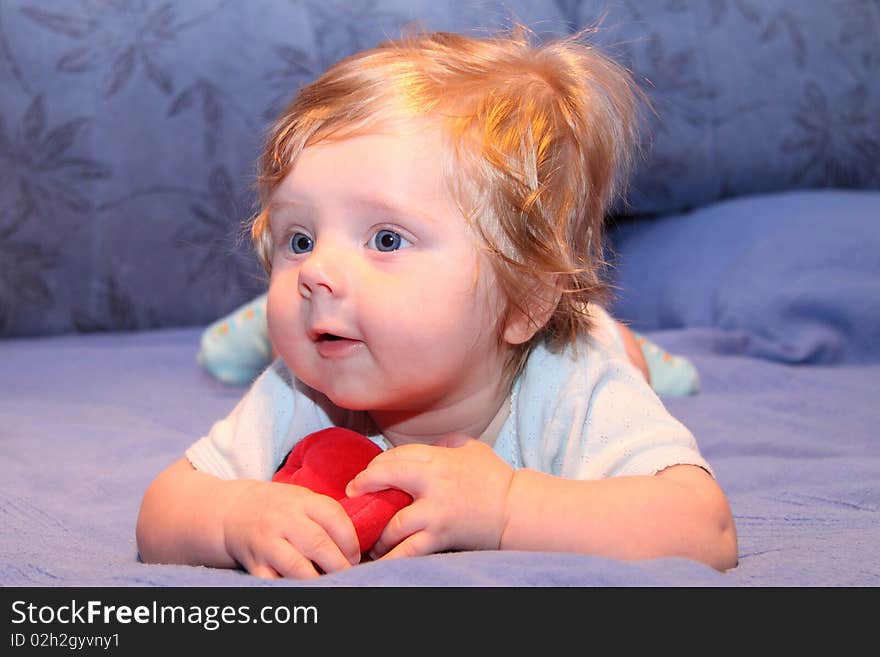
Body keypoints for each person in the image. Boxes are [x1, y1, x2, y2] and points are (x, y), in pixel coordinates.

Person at [136, 26, 738, 579]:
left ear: (523, 298)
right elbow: (163, 512)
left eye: (386, 239)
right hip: (350, 332)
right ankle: (252, 325)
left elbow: (703, 528)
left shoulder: (572, 385)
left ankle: (624, 339)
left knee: (608, 343)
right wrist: (235, 518)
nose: (315, 271)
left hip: (577, 336)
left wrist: (506, 508)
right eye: (299, 240)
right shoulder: (301, 391)